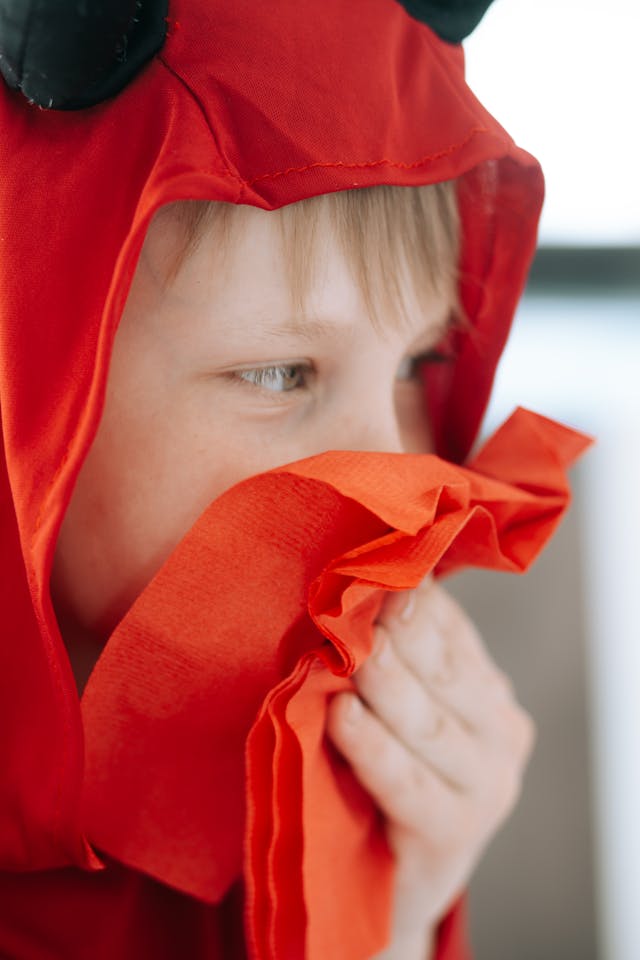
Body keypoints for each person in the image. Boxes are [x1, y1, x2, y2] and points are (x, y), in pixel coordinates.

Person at [0, 1, 580, 958]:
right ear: (34, 386)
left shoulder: (312, 765)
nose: (396, 476)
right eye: (280, 373)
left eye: (415, 368)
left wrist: (392, 906)